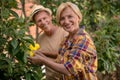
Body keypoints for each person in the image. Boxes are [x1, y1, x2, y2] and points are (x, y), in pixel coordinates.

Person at [28, 2, 97, 80]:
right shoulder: (67, 40)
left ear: (78, 17)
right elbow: (59, 62)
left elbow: (68, 70)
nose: (66, 21)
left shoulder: (83, 40)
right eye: (62, 19)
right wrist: (38, 56)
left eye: (70, 16)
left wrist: (42, 59)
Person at [29, 5, 68, 80]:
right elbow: (41, 61)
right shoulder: (40, 38)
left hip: (66, 77)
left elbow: (66, 55)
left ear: (50, 17)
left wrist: (43, 52)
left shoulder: (64, 32)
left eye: (44, 18)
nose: (43, 22)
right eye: (39, 21)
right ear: (36, 24)